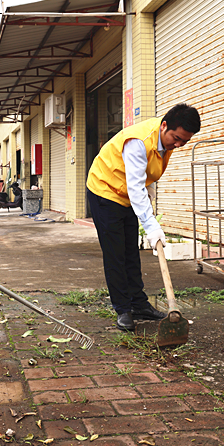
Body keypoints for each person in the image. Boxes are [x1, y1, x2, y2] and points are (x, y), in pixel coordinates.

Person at [86, 103, 200, 331]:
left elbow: (147, 177)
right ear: (164, 125)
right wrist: (151, 225)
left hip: (127, 193)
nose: (178, 144)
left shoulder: (165, 142)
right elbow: (135, 186)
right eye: (176, 138)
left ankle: (138, 304)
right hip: (105, 191)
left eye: (184, 142)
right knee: (115, 254)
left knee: (130, 252)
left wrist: (150, 198)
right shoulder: (138, 142)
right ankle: (123, 309)